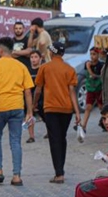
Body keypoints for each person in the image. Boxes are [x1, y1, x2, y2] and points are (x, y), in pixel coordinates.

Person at [0, 37, 34, 186]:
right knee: (15, 141)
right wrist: (29, 112)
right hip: (17, 108)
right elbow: (28, 91)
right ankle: (16, 176)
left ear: (0, 49)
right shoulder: (21, 66)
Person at [33, 42, 80, 183]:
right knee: (62, 137)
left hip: (50, 109)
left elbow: (38, 90)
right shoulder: (69, 69)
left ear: (51, 53)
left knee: (54, 139)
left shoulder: (45, 68)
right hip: (67, 109)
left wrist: (34, 105)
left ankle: (59, 173)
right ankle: (61, 170)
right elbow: (72, 92)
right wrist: (77, 112)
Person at [80, 47, 104, 133]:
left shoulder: (100, 65)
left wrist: (89, 68)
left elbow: (95, 76)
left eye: (94, 54)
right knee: (88, 107)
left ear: (98, 55)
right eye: (91, 54)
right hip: (90, 89)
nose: (92, 56)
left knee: (101, 107)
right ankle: (83, 126)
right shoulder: (87, 63)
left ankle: (105, 123)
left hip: (98, 89)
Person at [26, 50, 43, 143]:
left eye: (36, 57)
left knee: (46, 116)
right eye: (32, 57)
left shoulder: (43, 69)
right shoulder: (27, 70)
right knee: (29, 114)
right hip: (30, 96)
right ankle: (31, 136)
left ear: (40, 59)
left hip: (42, 96)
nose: (33, 59)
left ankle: (50, 132)